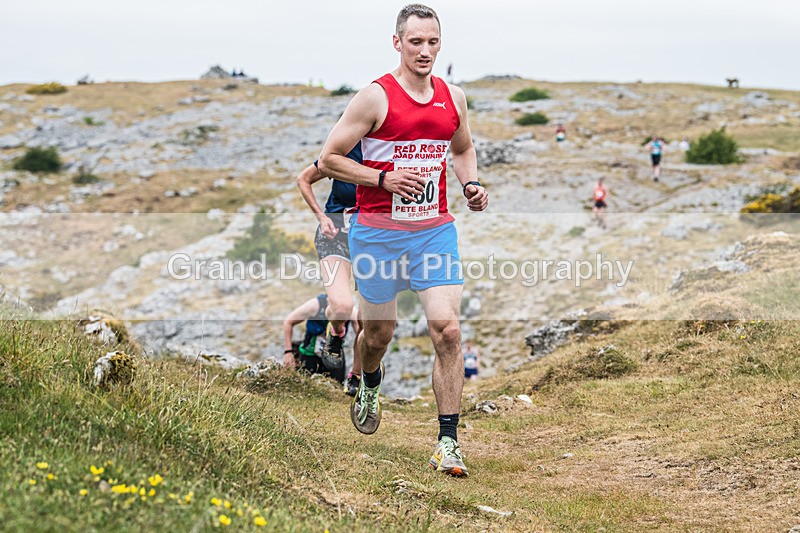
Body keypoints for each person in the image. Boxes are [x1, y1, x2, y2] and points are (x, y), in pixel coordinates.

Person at [318, 3, 488, 477]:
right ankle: (368, 378)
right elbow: (329, 159)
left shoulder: (453, 97)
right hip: (378, 236)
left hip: (434, 232)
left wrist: (470, 183)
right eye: (416, 42)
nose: (425, 51)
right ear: (398, 42)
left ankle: (448, 443)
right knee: (378, 333)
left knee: (448, 330)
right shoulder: (375, 97)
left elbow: (463, 147)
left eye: (433, 42)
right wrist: (382, 179)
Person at [295, 144, 364, 395]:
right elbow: (303, 179)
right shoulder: (342, 152)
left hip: (370, 239)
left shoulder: (388, 151)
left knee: (367, 320)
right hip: (334, 235)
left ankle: (356, 376)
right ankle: (335, 332)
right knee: (344, 307)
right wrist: (321, 217)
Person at [282, 293, 360, 389]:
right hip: (310, 354)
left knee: (336, 389)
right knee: (305, 387)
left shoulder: (350, 311)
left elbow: (361, 336)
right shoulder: (315, 305)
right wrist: (288, 352)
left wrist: (357, 370)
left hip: (335, 356)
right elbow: (288, 321)